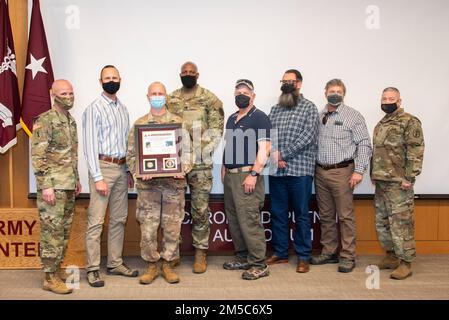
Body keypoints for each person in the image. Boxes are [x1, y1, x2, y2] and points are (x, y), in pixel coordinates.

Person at [127, 82, 191, 284]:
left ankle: (168, 264)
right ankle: (152, 265)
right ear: (148, 97)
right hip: (148, 188)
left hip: (174, 186)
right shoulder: (139, 125)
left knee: (172, 227)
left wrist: (183, 169)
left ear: (166, 96)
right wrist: (139, 170)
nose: (157, 96)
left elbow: (189, 153)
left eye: (160, 93)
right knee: (148, 228)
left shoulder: (178, 123)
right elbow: (131, 155)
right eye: (153, 94)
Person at [82, 65, 138, 287]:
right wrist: (97, 177)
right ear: (100, 81)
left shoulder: (123, 109)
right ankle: (93, 268)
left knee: (119, 219)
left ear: (120, 80)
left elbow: (127, 142)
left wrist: (129, 170)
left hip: (121, 168)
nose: (111, 80)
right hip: (103, 168)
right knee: (96, 221)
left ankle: (114, 263)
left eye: (114, 77)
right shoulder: (93, 109)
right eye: (107, 78)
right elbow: (89, 146)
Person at [167, 61, 224, 273]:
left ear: (198, 75)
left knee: (200, 210)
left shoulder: (209, 98)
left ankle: (201, 252)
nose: (188, 75)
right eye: (185, 72)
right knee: (175, 211)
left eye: (192, 72)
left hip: (200, 164)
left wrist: (203, 151)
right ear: (180, 74)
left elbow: (217, 129)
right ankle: (174, 253)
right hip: (177, 165)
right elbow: (164, 128)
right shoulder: (171, 98)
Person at [311, 79, 372, 273]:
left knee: (345, 216)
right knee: (327, 215)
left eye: (338, 91)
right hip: (320, 171)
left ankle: (347, 256)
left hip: (342, 172)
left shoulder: (353, 116)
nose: (334, 94)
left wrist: (359, 170)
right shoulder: (319, 115)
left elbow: (364, 144)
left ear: (343, 93)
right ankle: (329, 252)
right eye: (331, 91)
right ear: (325, 93)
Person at [31, 79, 82, 294]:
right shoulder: (45, 121)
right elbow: (39, 156)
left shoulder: (70, 121)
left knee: (62, 231)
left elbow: (71, 155)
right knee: (51, 232)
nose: (68, 96)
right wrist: (45, 186)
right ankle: (49, 277)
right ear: (53, 94)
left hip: (68, 184)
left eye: (71, 93)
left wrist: (77, 179)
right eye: (63, 93)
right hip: (53, 186)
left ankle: (56, 268)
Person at [267, 69, 319, 273]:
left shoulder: (310, 108)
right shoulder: (274, 109)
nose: (287, 84)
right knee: (278, 213)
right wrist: (274, 155)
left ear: (299, 84)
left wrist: (283, 155)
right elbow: (266, 136)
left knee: (302, 214)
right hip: (277, 171)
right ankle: (280, 252)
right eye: (284, 81)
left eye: (291, 81)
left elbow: (308, 137)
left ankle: (303, 256)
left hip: (300, 171)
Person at [372, 87, 424, 280]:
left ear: (399, 101)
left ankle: (406, 262)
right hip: (381, 181)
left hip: (399, 183)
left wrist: (409, 178)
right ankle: (392, 256)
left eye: (391, 98)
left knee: (401, 224)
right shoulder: (381, 123)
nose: (387, 101)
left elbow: (416, 151)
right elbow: (378, 152)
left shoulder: (409, 121)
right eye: (384, 98)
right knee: (383, 222)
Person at [222, 79, 271, 280]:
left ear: (253, 96)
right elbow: (229, 147)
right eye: (238, 91)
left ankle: (259, 263)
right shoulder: (232, 118)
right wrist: (224, 168)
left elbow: (265, 149)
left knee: (249, 220)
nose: (241, 95)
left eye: (245, 92)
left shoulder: (260, 117)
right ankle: (242, 257)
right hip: (231, 177)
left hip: (248, 176)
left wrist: (253, 174)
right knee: (234, 220)